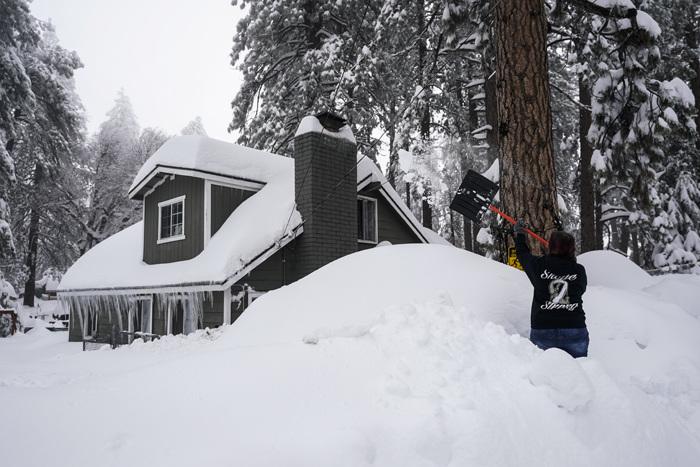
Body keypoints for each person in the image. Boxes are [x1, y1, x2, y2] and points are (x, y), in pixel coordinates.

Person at [514, 220, 589, 358]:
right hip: (574, 329)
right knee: (579, 372)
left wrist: (520, 235)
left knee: (545, 374)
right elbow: (581, 289)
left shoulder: (539, 266)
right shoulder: (579, 271)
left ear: (550, 247)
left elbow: (523, 255)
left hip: (543, 329)